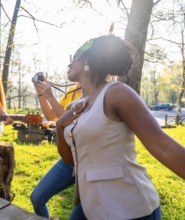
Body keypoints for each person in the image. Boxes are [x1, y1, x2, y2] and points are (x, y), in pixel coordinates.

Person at [56, 35, 185, 219]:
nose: (69, 63)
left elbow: (162, 146)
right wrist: (60, 126)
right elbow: (69, 159)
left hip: (131, 207)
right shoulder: (73, 106)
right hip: (91, 207)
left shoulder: (117, 93)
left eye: (75, 57)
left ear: (88, 61)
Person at [30, 78, 82, 219]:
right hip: (70, 158)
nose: (70, 65)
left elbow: (68, 119)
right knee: (37, 198)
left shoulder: (99, 92)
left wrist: (50, 96)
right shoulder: (73, 90)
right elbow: (51, 115)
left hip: (90, 162)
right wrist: (41, 94)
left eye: (76, 58)